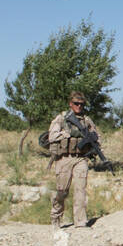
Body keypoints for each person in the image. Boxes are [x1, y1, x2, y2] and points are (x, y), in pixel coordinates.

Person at [46, 92, 100, 229]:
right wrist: (68, 134)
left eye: (81, 104)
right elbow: (51, 136)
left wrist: (93, 139)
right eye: (76, 103)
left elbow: (97, 136)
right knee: (62, 191)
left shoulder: (86, 120)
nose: (79, 106)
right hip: (64, 158)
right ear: (71, 104)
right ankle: (56, 217)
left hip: (81, 158)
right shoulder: (62, 118)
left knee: (80, 189)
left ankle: (80, 222)